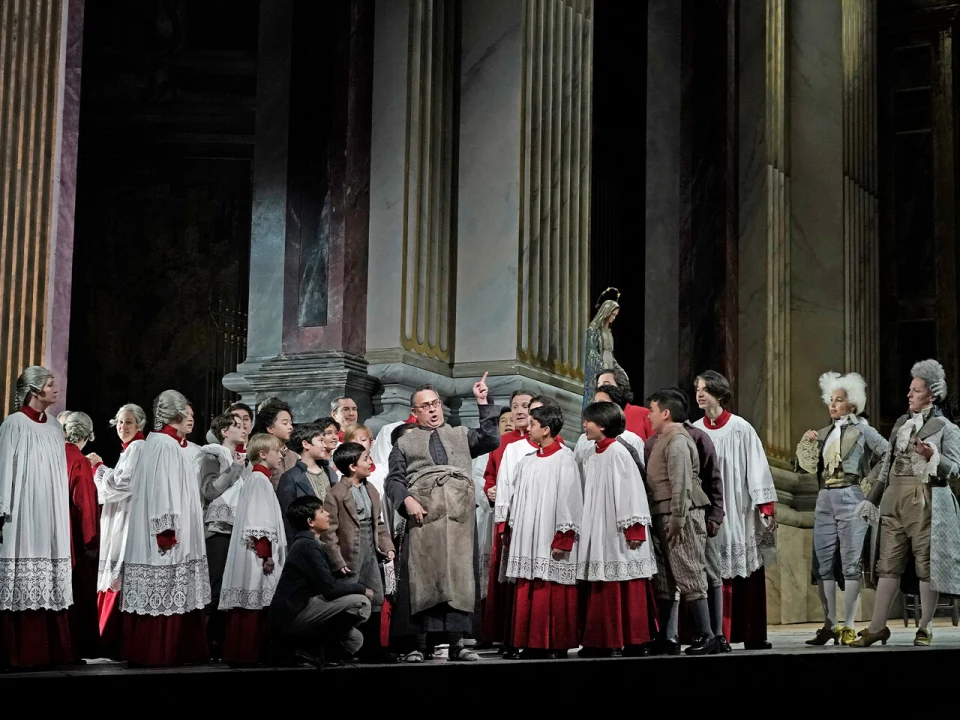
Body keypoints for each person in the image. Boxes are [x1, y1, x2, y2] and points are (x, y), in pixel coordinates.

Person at [385, 375, 500, 663]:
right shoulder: (405, 443)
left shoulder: (460, 435)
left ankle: (457, 643)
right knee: (421, 579)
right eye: (426, 406)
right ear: (416, 412)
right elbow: (394, 480)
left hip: (459, 518)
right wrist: (406, 499)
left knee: (458, 577)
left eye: (436, 403)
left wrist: (483, 402)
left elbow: (490, 438)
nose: (434, 410)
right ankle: (416, 645)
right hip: (425, 517)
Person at [852, 359, 960, 647]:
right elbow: (887, 463)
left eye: (916, 390)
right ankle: (877, 627)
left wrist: (931, 456)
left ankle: (925, 627)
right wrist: (872, 499)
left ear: (932, 395)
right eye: (910, 389)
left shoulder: (947, 428)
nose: (909, 395)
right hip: (894, 499)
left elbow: (955, 468)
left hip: (925, 500)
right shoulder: (901, 423)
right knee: (887, 564)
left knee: (927, 565)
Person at [796, 372, 888, 646]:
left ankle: (849, 624)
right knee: (823, 564)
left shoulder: (864, 430)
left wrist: (871, 489)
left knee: (850, 563)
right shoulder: (824, 433)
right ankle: (831, 624)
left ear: (852, 404)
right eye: (831, 400)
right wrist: (809, 446)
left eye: (839, 400)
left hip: (851, 496)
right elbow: (803, 466)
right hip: (825, 498)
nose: (833, 405)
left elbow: (887, 453)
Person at [121, 390, 210, 666]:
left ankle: (183, 650)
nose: (189, 415)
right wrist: (166, 532)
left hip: (174, 533)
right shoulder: (163, 445)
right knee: (165, 592)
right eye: (185, 409)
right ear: (176, 412)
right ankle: (159, 652)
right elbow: (162, 493)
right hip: (166, 538)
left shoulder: (166, 443)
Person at [693, 370, 777, 650]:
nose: (699, 394)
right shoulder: (694, 430)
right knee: (712, 569)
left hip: (738, 509)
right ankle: (717, 634)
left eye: (704, 389)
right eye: (697, 390)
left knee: (743, 567)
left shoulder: (741, 428)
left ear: (718, 392)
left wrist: (764, 505)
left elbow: (757, 468)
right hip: (708, 511)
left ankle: (749, 633)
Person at [0, 367, 73, 668]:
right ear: (34, 390)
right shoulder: (13, 425)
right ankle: (16, 652)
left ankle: (53, 651)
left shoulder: (55, 426)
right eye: (50, 384)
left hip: (50, 513)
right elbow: (4, 470)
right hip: (21, 513)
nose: (55, 388)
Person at [642, 387, 725, 649]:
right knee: (666, 579)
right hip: (663, 514)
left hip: (681, 515)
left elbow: (681, 485)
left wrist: (677, 519)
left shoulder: (677, 440)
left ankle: (707, 635)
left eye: (652, 411)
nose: (649, 417)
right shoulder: (660, 440)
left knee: (689, 572)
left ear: (666, 413)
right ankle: (668, 637)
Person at [576, 401, 657, 657]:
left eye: (588, 421)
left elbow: (631, 492)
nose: (584, 426)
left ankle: (633, 640)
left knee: (624, 582)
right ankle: (601, 640)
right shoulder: (592, 454)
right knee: (600, 582)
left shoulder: (619, 453)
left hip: (619, 531)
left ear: (602, 424)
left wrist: (634, 530)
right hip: (598, 528)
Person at [505, 403, 582, 658]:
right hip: (528, 537)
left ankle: (554, 644)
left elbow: (570, 502)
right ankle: (528, 642)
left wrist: (564, 538)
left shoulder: (564, 460)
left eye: (533, 424)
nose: (528, 428)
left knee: (551, 588)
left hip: (550, 536)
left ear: (546, 429)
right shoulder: (526, 463)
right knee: (529, 586)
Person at [269, 496, 372, 663]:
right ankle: (310, 647)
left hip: (305, 608)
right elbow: (330, 588)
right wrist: (362, 589)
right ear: (310, 521)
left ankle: (315, 651)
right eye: (322, 511)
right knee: (361, 602)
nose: (328, 515)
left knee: (355, 639)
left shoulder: (308, 544)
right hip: (293, 614)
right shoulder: (306, 545)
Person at [219, 434, 288, 665]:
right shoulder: (259, 480)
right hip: (257, 556)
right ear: (262, 454)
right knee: (254, 602)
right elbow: (259, 520)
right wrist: (265, 553)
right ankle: (249, 654)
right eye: (277, 451)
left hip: (256, 552)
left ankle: (243, 654)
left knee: (251, 602)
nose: (281, 455)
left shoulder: (257, 478)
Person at [326, 442, 396, 661]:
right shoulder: (336, 493)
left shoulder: (370, 489)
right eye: (366, 458)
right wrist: (337, 560)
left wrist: (387, 546)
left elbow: (379, 523)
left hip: (370, 550)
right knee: (352, 600)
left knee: (375, 597)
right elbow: (329, 531)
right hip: (350, 553)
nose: (370, 462)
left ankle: (372, 648)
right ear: (352, 466)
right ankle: (347, 648)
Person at [91, 403, 147, 655]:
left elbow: (123, 484)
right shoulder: (130, 448)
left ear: (141, 425)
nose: (123, 427)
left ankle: (111, 638)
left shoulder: (137, 447)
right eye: (120, 422)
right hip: (121, 514)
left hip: (127, 517)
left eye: (129, 423)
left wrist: (98, 468)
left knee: (119, 571)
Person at [482, 389, 534, 649]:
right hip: (506, 517)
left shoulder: (546, 439)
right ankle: (500, 631)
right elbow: (489, 475)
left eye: (525, 406)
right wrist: (489, 489)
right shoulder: (501, 442)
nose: (520, 411)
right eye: (515, 406)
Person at [197, 411, 251, 660]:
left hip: (240, 529)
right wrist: (235, 468)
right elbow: (209, 490)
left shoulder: (243, 457)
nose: (243, 429)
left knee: (233, 587)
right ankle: (206, 643)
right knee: (215, 586)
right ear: (224, 431)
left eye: (244, 425)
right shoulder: (213, 454)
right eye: (236, 426)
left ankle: (224, 641)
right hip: (218, 530)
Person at [63, 412, 101, 661]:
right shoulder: (79, 460)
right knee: (78, 593)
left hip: (52, 534)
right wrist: (91, 541)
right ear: (88, 435)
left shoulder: (52, 454)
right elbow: (85, 504)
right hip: (73, 538)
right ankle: (78, 647)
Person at [277, 423, 338, 547]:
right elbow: (288, 520)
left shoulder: (330, 472)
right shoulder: (290, 477)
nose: (324, 445)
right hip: (307, 543)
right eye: (320, 440)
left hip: (334, 541)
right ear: (305, 444)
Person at [575, 384, 646, 463]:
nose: (596, 408)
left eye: (602, 403)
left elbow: (637, 472)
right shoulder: (584, 439)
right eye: (595, 403)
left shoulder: (632, 440)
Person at [583, 287, 623, 412]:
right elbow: (592, 351)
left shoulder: (609, 332)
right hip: (600, 369)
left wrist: (617, 368)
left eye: (615, 315)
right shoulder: (593, 330)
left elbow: (610, 352)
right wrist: (601, 367)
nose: (614, 318)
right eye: (612, 314)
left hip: (609, 367)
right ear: (606, 312)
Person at [595, 367, 653, 441]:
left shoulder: (643, 414)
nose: (601, 388)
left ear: (620, 387)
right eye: (599, 385)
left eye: (606, 384)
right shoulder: (594, 418)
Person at [251, 398, 296, 487]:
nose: (290, 427)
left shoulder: (295, 456)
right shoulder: (262, 455)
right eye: (285, 423)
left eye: (290, 423)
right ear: (270, 428)